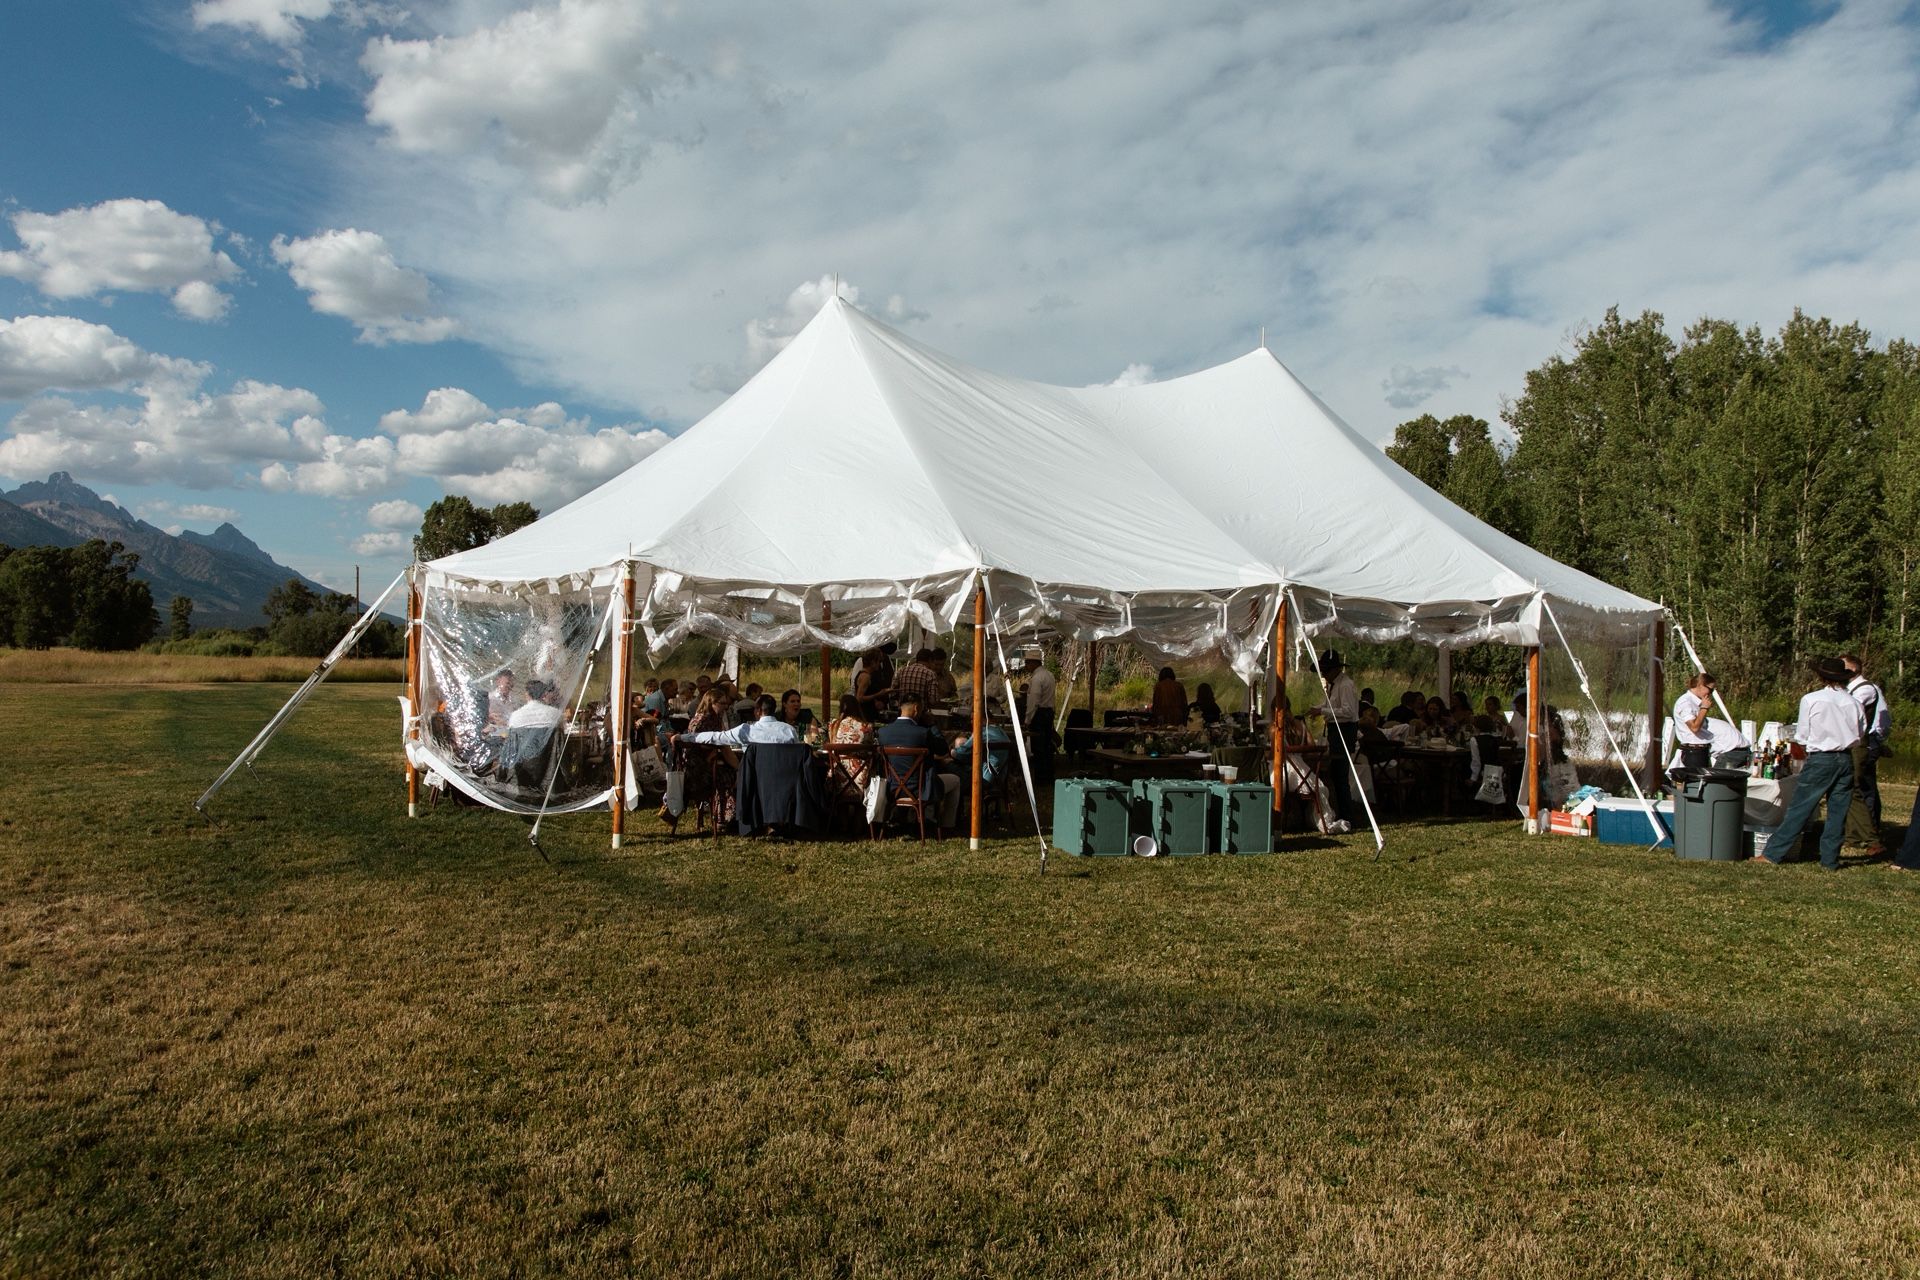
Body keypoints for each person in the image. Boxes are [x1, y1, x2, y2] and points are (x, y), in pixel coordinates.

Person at [1752, 657, 1864, 869]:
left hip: (1822, 757)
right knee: (1838, 811)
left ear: (1822, 677)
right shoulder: (1854, 703)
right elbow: (1859, 734)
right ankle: (1829, 860)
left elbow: (1802, 734)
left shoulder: (1812, 699)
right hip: (1846, 757)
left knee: (1800, 807)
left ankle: (1774, 853)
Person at [875, 694, 961, 832]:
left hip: (892, 788)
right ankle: (947, 825)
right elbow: (943, 750)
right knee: (956, 780)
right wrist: (932, 724)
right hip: (921, 789)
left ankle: (901, 818)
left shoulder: (883, 732)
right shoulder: (923, 733)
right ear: (916, 709)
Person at [1841, 653, 1889, 852]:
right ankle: (1855, 835)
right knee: (1857, 788)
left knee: (1862, 789)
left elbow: (1852, 715)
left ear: (1852, 670)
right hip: (1856, 742)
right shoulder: (1850, 690)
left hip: (1864, 742)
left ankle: (1870, 835)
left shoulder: (1866, 689)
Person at [1311, 650, 1360, 824]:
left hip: (1344, 731)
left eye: (1325, 671)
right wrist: (1318, 709)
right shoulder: (1333, 685)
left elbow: (1348, 712)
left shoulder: (1345, 685)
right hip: (1336, 730)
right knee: (1336, 773)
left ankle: (1347, 814)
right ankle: (1342, 810)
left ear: (1335, 670)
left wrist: (1322, 711)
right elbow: (1330, 705)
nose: (1323, 674)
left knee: (1340, 774)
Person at [674, 693, 801, 750]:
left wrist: (683, 736)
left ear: (757, 711)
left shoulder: (746, 730)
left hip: (756, 780)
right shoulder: (789, 730)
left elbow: (714, 737)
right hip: (785, 782)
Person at [1020, 649, 1057, 781]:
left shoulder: (1037, 678)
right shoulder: (1049, 675)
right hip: (1048, 712)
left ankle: (1041, 777)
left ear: (1034, 663)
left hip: (1039, 714)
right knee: (1047, 745)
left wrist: (1028, 719)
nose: (1026, 666)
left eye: (1027, 663)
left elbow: (1033, 701)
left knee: (1038, 746)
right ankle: (1048, 774)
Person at [825, 693, 873, 788]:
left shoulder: (833, 725)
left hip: (837, 773)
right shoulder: (866, 726)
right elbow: (870, 748)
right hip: (859, 774)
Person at [1672, 672, 1716, 772]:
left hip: (1701, 751)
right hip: (1693, 752)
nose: (1711, 693)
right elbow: (1694, 727)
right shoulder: (1686, 702)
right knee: (1696, 783)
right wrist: (1704, 708)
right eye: (1710, 689)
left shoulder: (1695, 703)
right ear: (1700, 685)